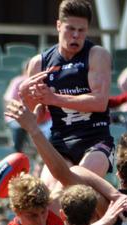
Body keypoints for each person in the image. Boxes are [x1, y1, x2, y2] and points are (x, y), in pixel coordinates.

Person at [19, 0, 114, 187]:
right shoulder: (39, 63)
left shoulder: (97, 55)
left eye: (82, 30)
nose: (76, 35)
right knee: (50, 198)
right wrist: (25, 96)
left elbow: (100, 102)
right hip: (61, 141)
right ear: (58, 25)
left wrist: (55, 98)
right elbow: (37, 115)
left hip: (94, 139)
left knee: (75, 191)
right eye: (71, 29)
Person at [4, 63, 51, 152]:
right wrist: (23, 111)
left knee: (52, 131)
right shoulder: (18, 81)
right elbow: (10, 100)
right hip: (20, 116)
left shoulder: (43, 82)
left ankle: (42, 160)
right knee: (18, 128)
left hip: (42, 120)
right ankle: (17, 154)